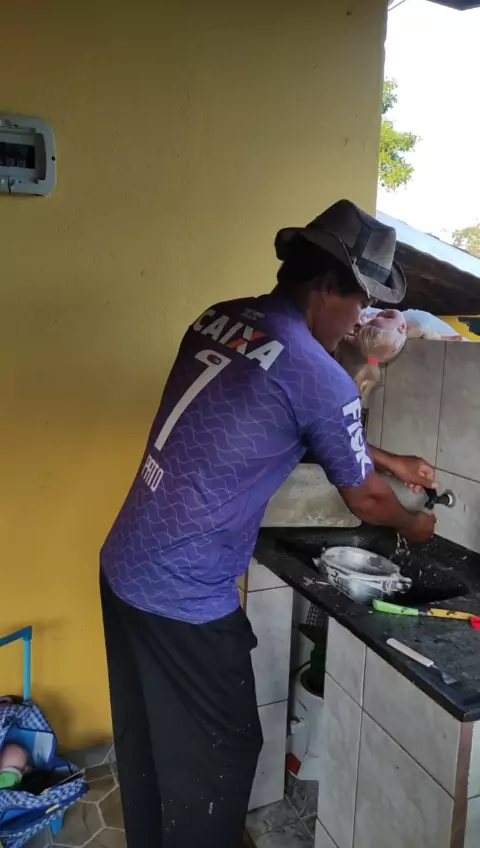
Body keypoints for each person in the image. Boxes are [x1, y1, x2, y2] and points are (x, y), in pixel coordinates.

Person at [100, 199, 436, 848]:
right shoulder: (320, 376)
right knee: (222, 754)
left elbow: (278, 413)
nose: (360, 320)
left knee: (148, 743)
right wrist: (413, 525)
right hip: (184, 595)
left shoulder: (221, 316)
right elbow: (368, 502)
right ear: (327, 285)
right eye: (360, 302)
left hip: (125, 561)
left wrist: (390, 458)